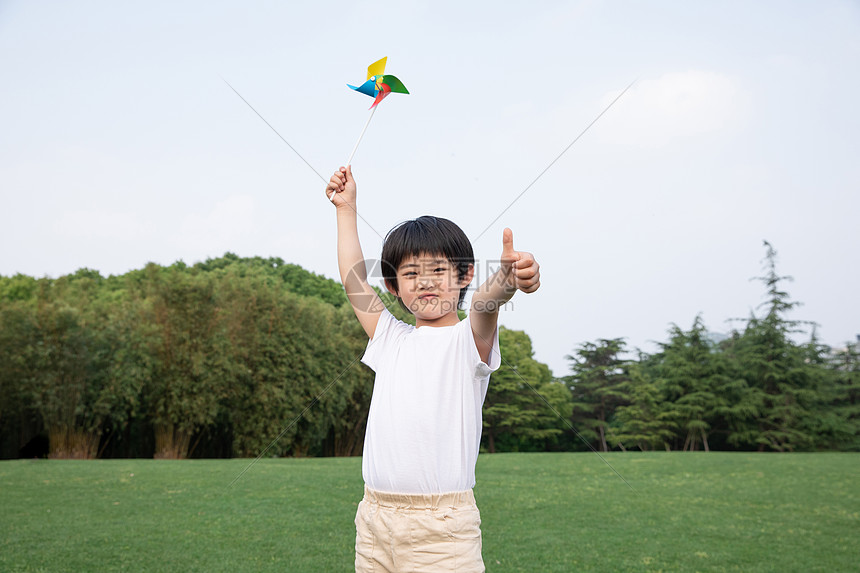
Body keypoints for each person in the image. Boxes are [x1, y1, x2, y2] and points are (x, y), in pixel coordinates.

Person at [326, 165, 540, 572]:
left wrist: (507, 280)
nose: (425, 282)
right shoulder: (389, 337)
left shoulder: (468, 340)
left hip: (442, 532)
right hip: (374, 521)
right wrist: (346, 209)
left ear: (465, 275)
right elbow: (354, 279)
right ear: (393, 286)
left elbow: (483, 306)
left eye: (438, 270)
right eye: (410, 273)